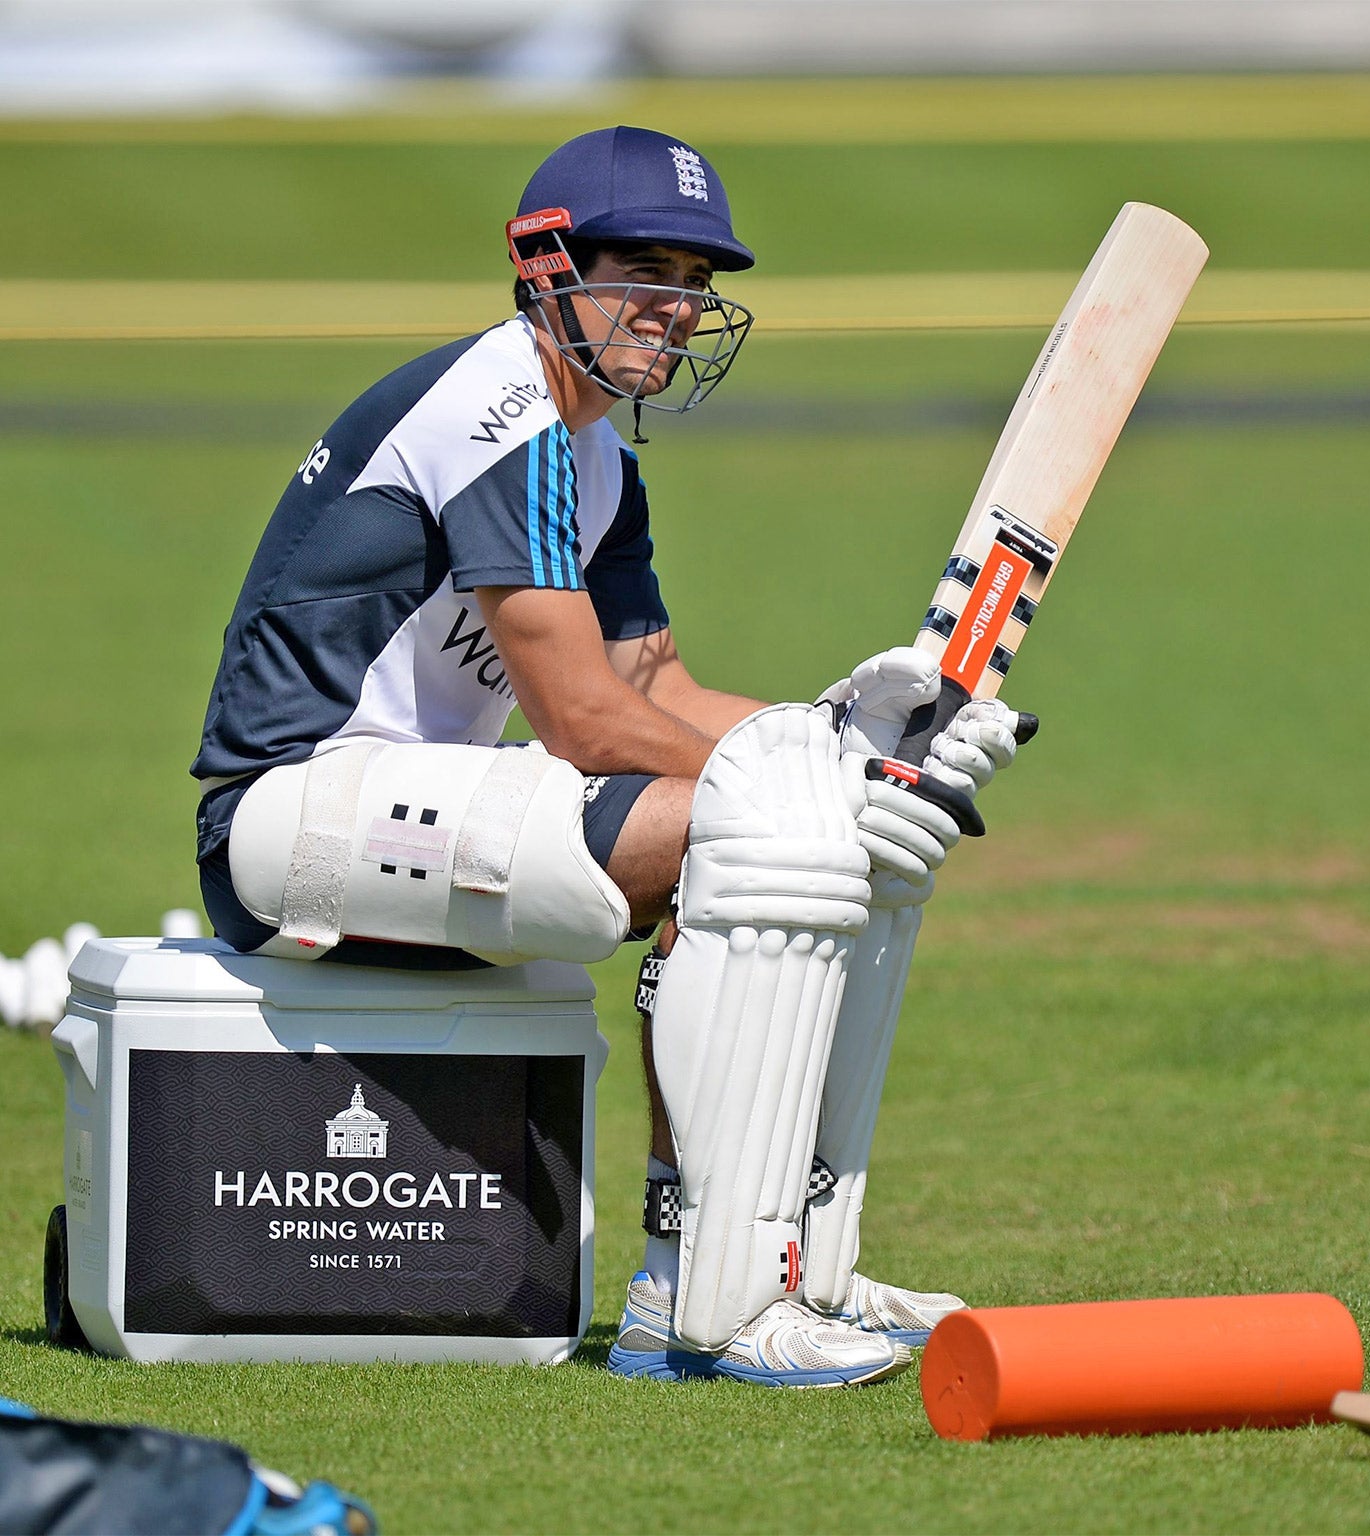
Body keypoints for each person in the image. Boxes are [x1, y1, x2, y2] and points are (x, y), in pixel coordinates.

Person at [190, 126, 1023, 1389]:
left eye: (695, 280)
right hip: (289, 815)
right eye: (643, 267)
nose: (677, 307)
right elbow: (582, 720)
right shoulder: (501, 408)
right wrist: (801, 773)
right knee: (763, 829)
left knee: (831, 833)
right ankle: (701, 1300)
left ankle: (784, 1263)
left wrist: (852, 738)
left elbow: (659, 688)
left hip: (401, 813)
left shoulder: (596, 460)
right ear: (544, 264)